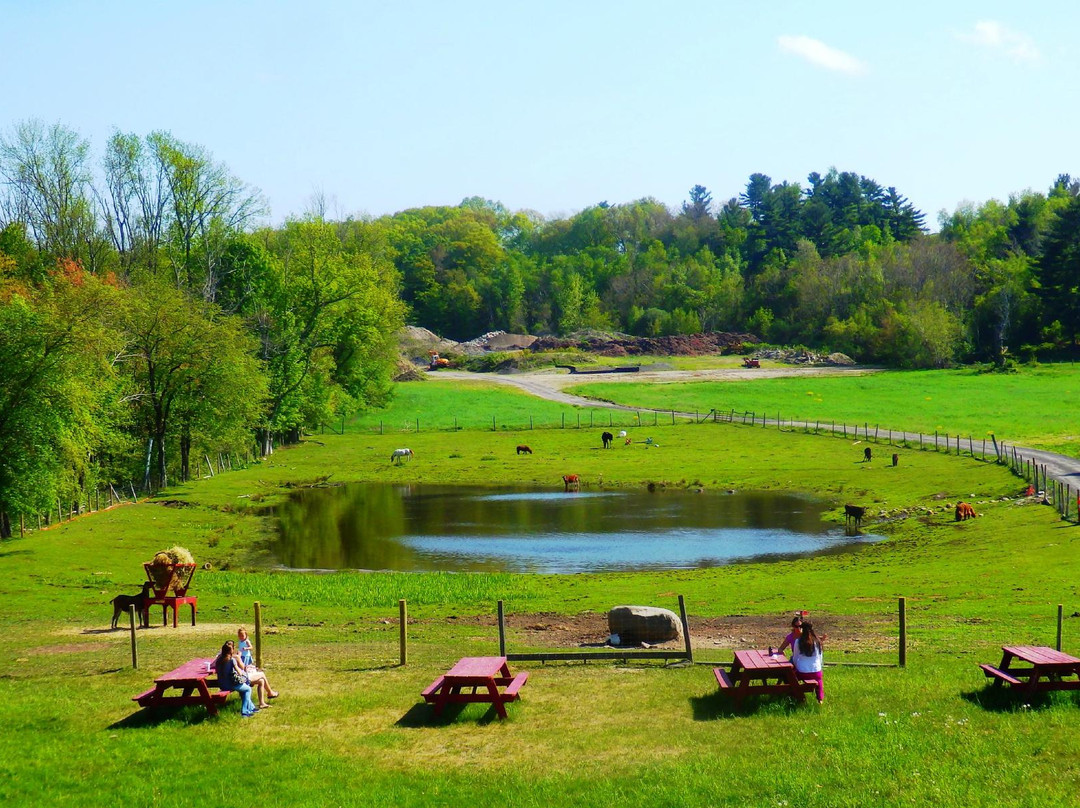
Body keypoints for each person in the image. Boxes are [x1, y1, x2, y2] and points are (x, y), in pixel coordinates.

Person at [231, 639, 279, 708]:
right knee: (262, 674)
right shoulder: (236, 657)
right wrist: (240, 657)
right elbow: (243, 668)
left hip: (230, 679)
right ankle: (270, 692)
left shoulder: (223, 657)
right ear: (232, 649)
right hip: (240, 679)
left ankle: (262, 703)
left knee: (261, 681)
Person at [214, 641, 257, 717]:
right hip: (230, 684)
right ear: (231, 651)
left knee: (244, 689)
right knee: (248, 689)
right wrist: (245, 672)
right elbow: (240, 672)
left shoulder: (218, 660)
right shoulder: (231, 660)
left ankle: (251, 707)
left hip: (221, 684)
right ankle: (244, 711)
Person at [791, 621, 824, 704]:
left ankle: (797, 696)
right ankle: (820, 699)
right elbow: (820, 657)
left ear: (802, 629)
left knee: (791, 677)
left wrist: (795, 667)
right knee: (819, 680)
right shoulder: (817, 641)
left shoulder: (798, 642)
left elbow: (795, 657)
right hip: (816, 671)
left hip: (802, 672)